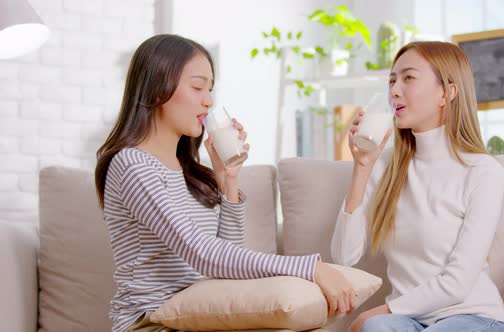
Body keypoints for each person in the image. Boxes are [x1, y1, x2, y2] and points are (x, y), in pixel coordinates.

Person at [95, 34, 355, 332]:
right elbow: (203, 254)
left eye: (210, 88)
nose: (209, 100)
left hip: (201, 315)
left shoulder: (185, 171)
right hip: (150, 323)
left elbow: (224, 268)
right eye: (197, 87)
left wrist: (228, 180)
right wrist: (310, 268)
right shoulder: (132, 165)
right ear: (157, 90)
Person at [331, 41, 504, 332]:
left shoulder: (483, 171)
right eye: (392, 80)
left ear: (447, 92)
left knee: (374, 321)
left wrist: (380, 310)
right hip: (409, 320)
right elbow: (344, 257)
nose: (394, 90)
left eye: (408, 78)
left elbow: (458, 282)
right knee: (377, 328)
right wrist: (362, 167)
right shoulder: (385, 167)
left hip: (474, 317)